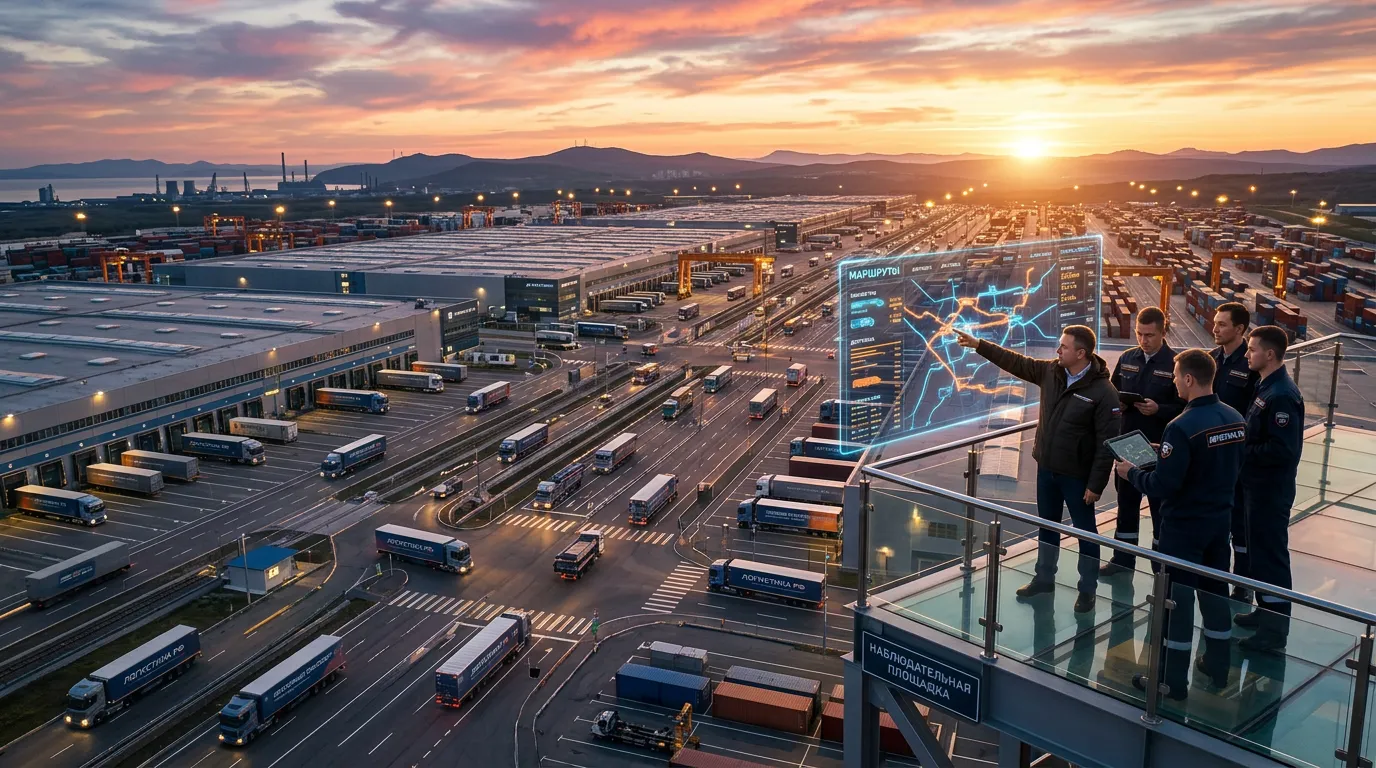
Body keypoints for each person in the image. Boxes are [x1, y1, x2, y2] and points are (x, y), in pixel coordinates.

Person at [955, 325, 1120, 613]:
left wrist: (1096, 485)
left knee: (1086, 533)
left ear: (1081, 353)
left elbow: (1107, 443)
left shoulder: (1103, 392)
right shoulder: (1051, 372)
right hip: (1047, 470)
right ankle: (1044, 579)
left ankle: (1087, 590)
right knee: (1047, 528)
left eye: (1064, 347)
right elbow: (1015, 362)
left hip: (1078, 478)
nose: (1058, 351)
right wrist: (979, 345)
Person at [1114, 348, 1245, 700]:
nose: (1173, 381)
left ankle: (1171, 682)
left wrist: (1132, 472)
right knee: (1215, 594)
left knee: (1176, 603)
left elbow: (1164, 486)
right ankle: (1218, 667)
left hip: (1183, 529)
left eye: (1175, 376)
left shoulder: (1181, 425)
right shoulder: (1234, 418)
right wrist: (1165, 452)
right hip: (1219, 523)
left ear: (1189, 379)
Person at [1236, 325, 1304, 652]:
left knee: (1271, 558)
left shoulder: (1281, 395)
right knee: (1259, 557)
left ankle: (1274, 631)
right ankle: (1264, 613)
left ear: (1270, 354)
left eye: (1251, 350)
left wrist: (1241, 451)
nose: (1247, 354)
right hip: (1255, 487)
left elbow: (1282, 450)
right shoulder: (1266, 387)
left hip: (1269, 490)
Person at [1104, 307, 1182, 573]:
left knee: (1161, 509)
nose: (1143, 340)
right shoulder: (1127, 358)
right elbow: (1112, 393)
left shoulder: (1175, 364)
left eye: (1149, 335)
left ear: (1163, 332)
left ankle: (1161, 566)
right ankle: (1123, 560)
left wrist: (1160, 409)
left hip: (1160, 447)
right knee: (1126, 505)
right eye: (1139, 333)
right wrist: (1120, 406)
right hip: (1128, 445)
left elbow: (1187, 408)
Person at [1211, 302, 1260, 603]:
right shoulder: (1210, 360)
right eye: (1215, 323)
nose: (1215, 329)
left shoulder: (1251, 366)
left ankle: (1242, 583)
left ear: (1240, 330)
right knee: (1218, 522)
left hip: (1237, 460)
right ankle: (1216, 576)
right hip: (1211, 458)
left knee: (1241, 527)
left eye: (1222, 324)